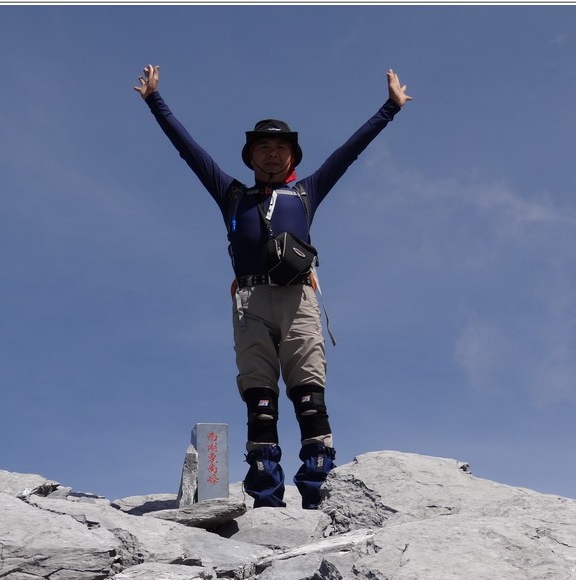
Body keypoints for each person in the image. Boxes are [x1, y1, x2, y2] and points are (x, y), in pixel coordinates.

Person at [134, 64, 412, 509]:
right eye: (262, 147)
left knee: (308, 391)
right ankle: (265, 492)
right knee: (259, 396)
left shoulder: (306, 192)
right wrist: (154, 101)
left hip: (299, 296)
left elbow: (349, 151)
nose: (271, 154)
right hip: (249, 301)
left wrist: (390, 109)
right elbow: (190, 152)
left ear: (292, 157)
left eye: (280, 147)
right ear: (250, 156)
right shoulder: (232, 196)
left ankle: (318, 487)